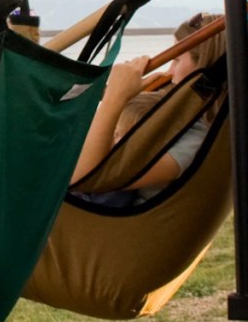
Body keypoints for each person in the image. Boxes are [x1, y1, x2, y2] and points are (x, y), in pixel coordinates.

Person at [71, 11, 227, 200]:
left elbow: (84, 177)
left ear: (204, 66)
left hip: (109, 223)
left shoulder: (195, 140)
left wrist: (115, 97)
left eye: (177, 60)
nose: (169, 71)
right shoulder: (176, 112)